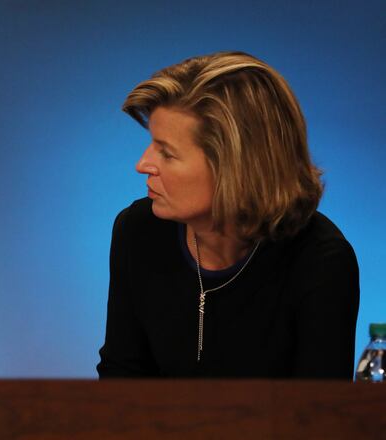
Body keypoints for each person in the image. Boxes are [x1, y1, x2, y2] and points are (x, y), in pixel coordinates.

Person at [97, 52, 359, 378]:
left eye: (167, 152)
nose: (143, 164)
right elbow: (121, 379)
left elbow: (319, 408)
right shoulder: (138, 230)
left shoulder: (321, 261)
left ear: (236, 167)